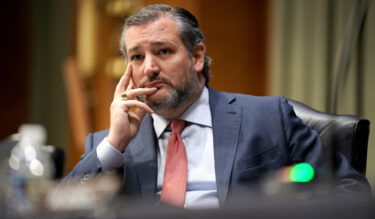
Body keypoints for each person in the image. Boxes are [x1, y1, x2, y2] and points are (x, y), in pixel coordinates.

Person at [62, 4, 370, 208]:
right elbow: (60, 212)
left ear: (197, 57)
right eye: (137, 57)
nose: (149, 68)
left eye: (163, 51)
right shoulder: (110, 146)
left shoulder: (267, 118)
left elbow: (349, 192)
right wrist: (114, 144)